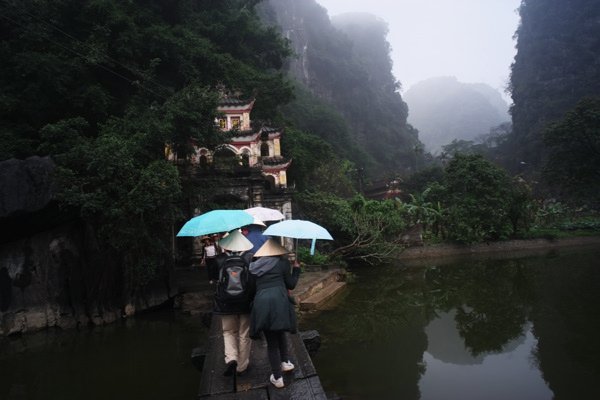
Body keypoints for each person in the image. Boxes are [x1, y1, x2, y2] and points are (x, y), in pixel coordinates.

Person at [249, 238, 301, 388]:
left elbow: (252, 290)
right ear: (277, 252)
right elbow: (291, 284)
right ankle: (285, 364)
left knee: (272, 342)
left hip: (262, 303)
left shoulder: (253, 267)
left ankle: (278, 376)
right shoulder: (283, 263)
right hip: (279, 301)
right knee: (280, 332)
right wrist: (296, 269)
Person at [211, 230, 255, 376]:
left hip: (225, 303)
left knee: (229, 332)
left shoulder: (220, 259)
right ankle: (242, 366)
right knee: (244, 334)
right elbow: (254, 281)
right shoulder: (250, 258)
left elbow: (212, 278)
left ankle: (231, 358)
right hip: (245, 302)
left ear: (227, 245)